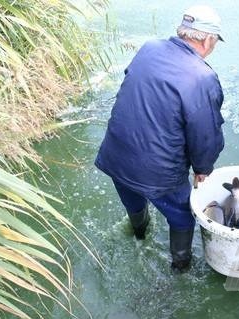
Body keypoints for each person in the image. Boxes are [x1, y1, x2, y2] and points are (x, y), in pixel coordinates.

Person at [95, 5, 225, 273]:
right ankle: (181, 266)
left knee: (133, 199)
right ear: (208, 39)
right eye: (215, 41)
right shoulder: (202, 77)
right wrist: (202, 170)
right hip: (158, 173)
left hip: (116, 155)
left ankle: (139, 233)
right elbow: (205, 135)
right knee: (181, 215)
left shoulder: (149, 47)